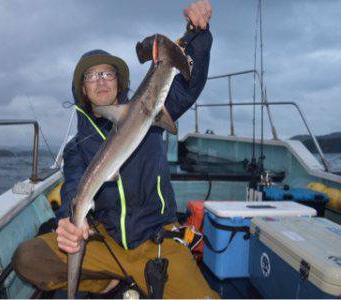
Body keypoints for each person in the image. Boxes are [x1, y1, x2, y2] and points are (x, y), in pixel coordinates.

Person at [13, 1, 218, 298]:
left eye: (107, 74)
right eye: (92, 76)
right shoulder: (77, 148)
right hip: (106, 241)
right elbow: (73, 188)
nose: (101, 81)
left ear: (118, 81)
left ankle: (122, 277)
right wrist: (69, 225)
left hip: (156, 240)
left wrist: (198, 34)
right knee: (28, 258)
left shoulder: (151, 115)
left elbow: (188, 86)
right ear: (82, 89)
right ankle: (107, 279)